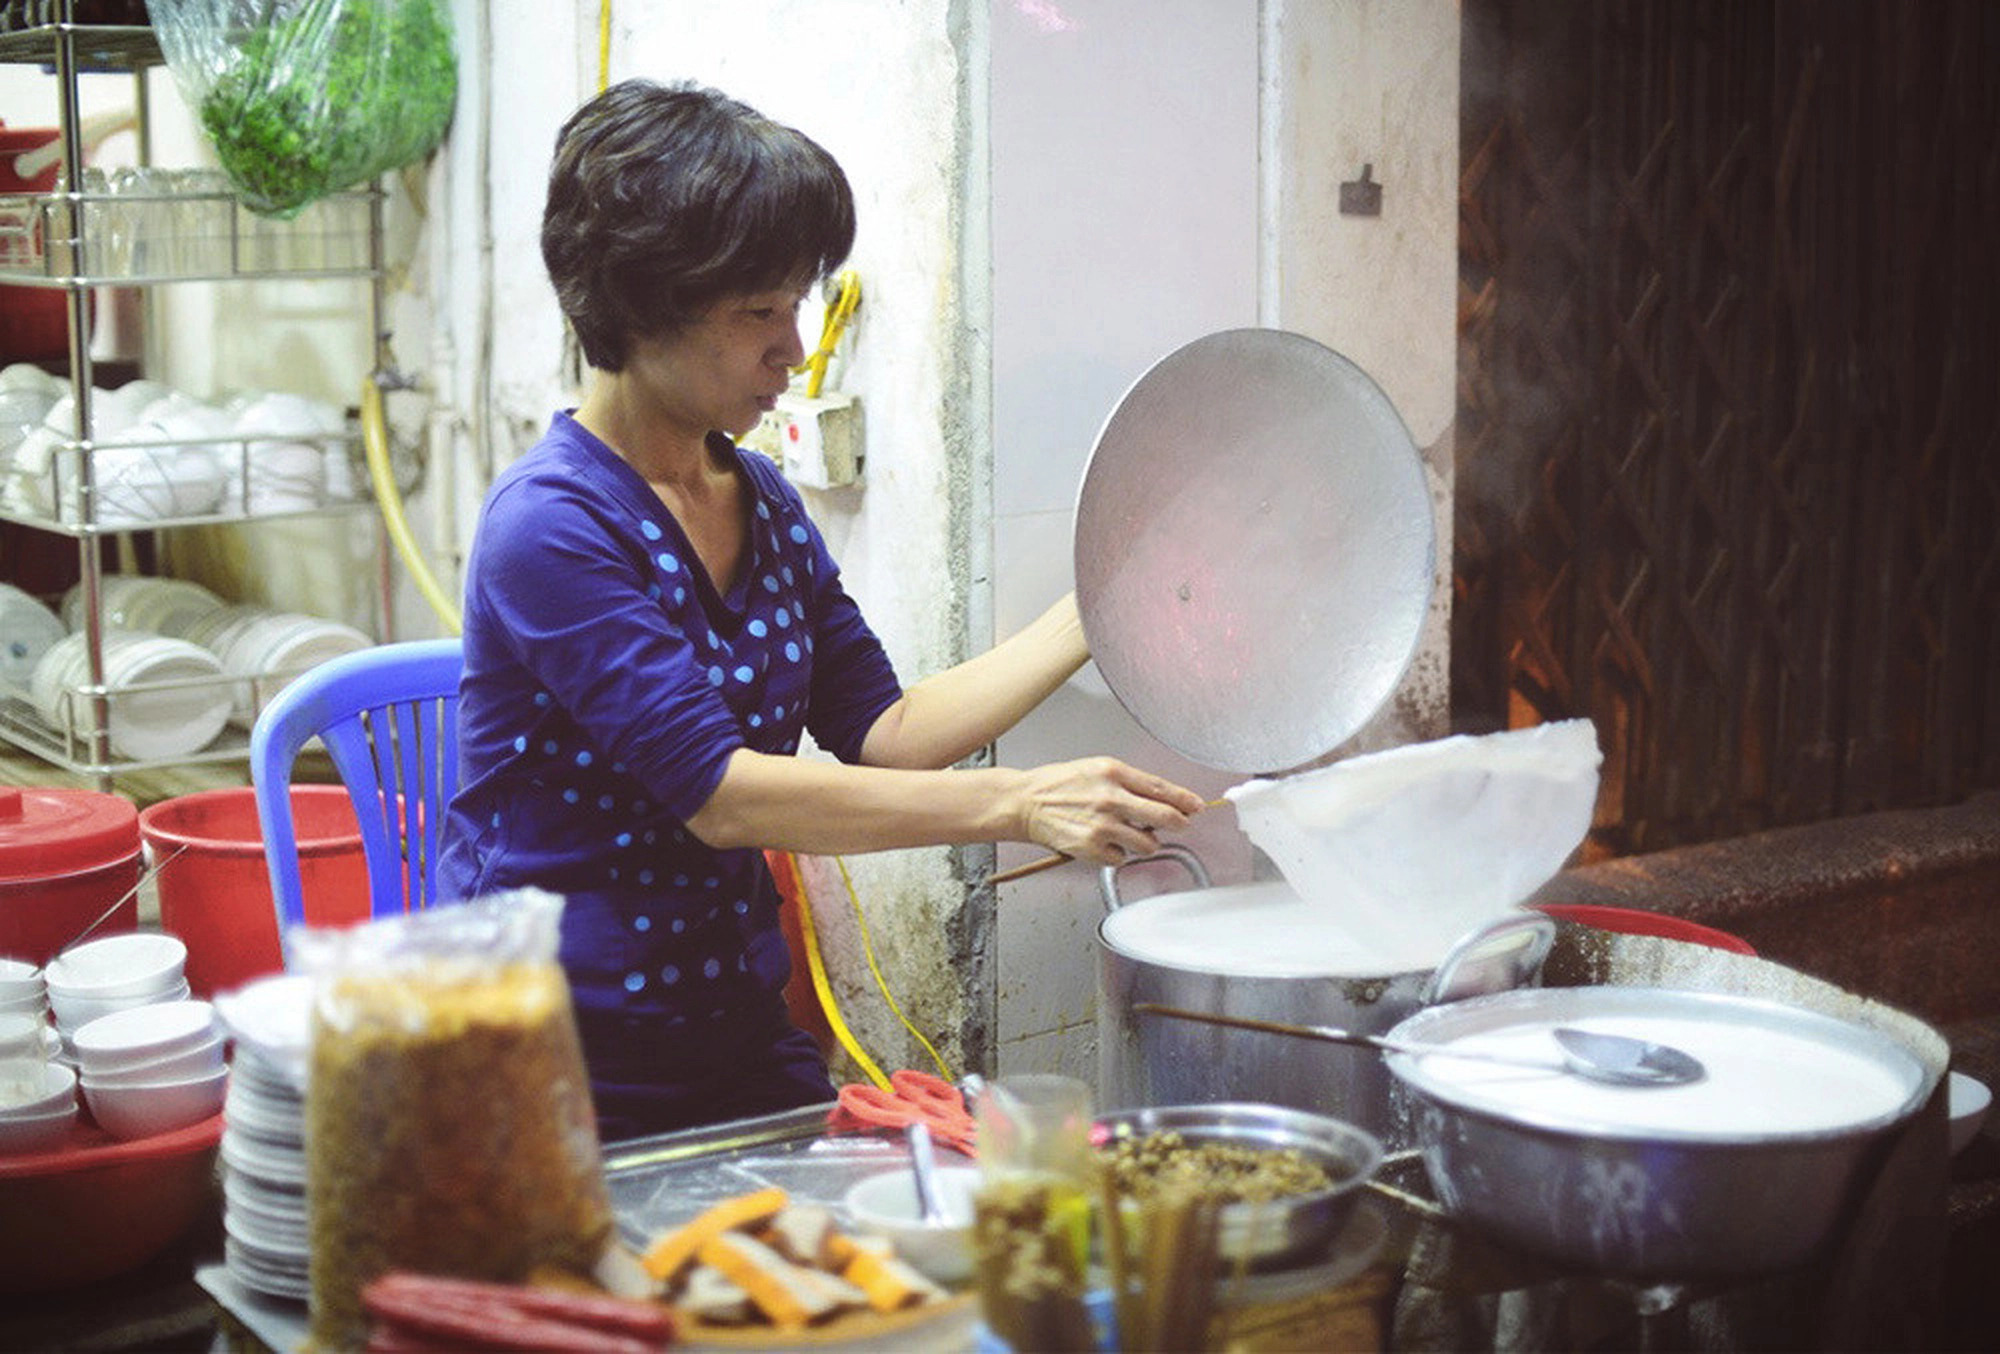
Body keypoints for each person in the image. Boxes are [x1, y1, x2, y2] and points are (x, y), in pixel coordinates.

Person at [436, 78, 1203, 1142]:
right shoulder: (550, 526)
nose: (792, 349)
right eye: (760, 311)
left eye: (795, 303)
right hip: (553, 1053)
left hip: (727, 1029)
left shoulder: (759, 501)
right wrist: (1020, 802)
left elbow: (885, 736)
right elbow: (722, 797)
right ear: (641, 301)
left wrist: (1099, 607)